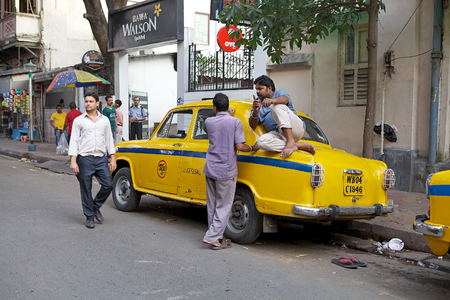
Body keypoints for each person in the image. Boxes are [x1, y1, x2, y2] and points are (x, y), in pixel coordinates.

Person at [202, 93, 253, 250]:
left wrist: (225, 114)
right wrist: (253, 147)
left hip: (210, 168)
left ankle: (217, 237)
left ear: (214, 107)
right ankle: (211, 236)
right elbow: (240, 146)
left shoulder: (208, 121)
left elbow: (219, 121)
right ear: (228, 106)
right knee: (224, 206)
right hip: (226, 170)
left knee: (213, 205)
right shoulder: (235, 122)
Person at [69, 92, 116, 229]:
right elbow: (74, 141)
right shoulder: (79, 120)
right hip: (85, 158)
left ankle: (95, 206)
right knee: (86, 188)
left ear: (97, 103)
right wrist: (73, 161)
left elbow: (109, 140)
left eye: (90, 101)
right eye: (86, 101)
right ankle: (89, 216)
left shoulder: (105, 120)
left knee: (108, 184)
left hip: (101, 158)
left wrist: (112, 158)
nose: (88, 103)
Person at [249, 75, 315, 158]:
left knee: (275, 106)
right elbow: (252, 125)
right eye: (256, 89)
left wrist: (272, 101)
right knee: (261, 142)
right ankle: (299, 145)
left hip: (295, 129)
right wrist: (255, 111)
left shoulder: (280, 93)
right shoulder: (257, 104)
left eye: (260, 89)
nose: (257, 91)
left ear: (269, 88)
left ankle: (291, 142)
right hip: (279, 134)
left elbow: (285, 99)